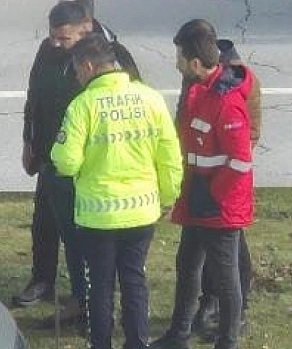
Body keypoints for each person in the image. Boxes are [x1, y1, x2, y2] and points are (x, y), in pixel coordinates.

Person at [15, 0, 141, 323]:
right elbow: (35, 95)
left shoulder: (110, 56)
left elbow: (132, 102)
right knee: (60, 229)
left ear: (85, 29)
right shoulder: (48, 51)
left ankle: (92, 305)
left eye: (64, 38)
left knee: (86, 238)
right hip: (51, 157)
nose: (56, 44)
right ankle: (76, 297)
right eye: (53, 37)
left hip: (88, 164)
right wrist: (29, 140)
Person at [51, 33, 183, 349]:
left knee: (100, 285)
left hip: (98, 215)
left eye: (78, 71)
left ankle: (101, 343)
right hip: (141, 209)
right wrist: (168, 195)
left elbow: (66, 162)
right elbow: (170, 154)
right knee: (135, 280)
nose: (78, 77)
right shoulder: (150, 98)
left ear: (87, 66)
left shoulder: (83, 105)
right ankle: (137, 342)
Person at [150, 20, 256, 349]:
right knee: (187, 265)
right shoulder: (201, 91)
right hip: (198, 196)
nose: (176, 63)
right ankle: (179, 334)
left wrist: (213, 194)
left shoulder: (226, 102)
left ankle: (227, 341)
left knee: (225, 277)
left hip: (218, 205)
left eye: (180, 57)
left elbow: (240, 160)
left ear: (195, 62)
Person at [183, 35, 262, 342]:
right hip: (204, 187)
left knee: (229, 265)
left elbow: (242, 150)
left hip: (220, 195)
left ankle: (230, 327)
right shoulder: (200, 84)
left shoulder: (227, 93)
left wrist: (216, 190)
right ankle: (199, 316)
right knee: (193, 261)